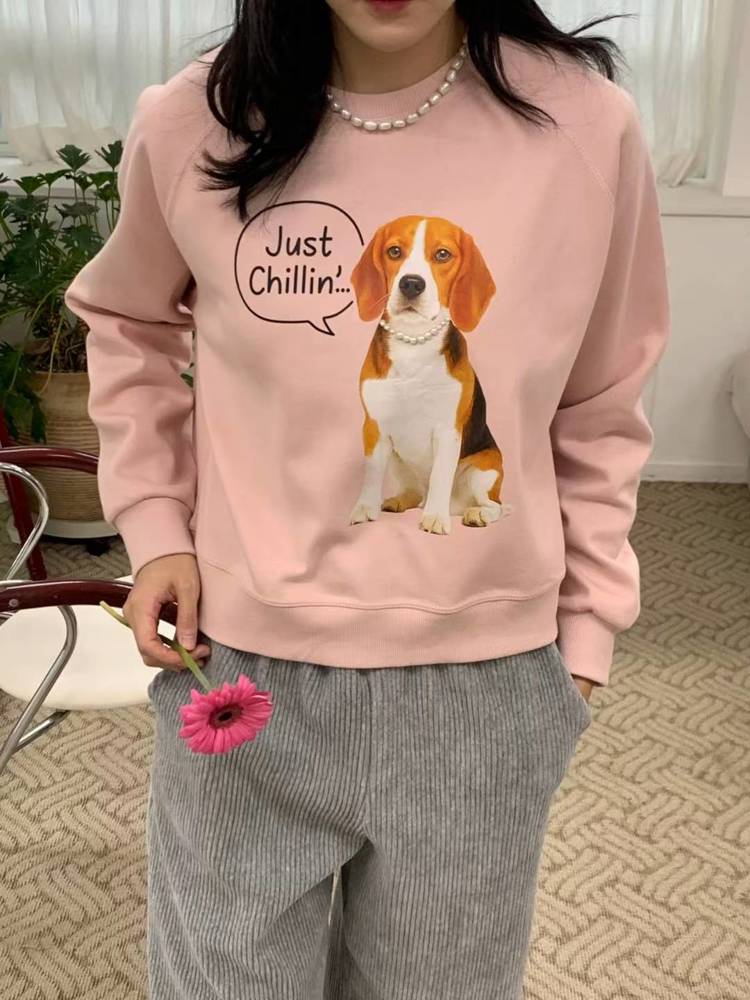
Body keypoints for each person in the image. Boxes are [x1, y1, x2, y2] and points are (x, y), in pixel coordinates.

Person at [64, 1, 670, 997]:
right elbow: (126, 321)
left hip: (487, 688)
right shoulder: (193, 121)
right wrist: (157, 527)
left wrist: (588, 633)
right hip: (241, 669)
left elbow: (604, 396)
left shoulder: (588, 127)